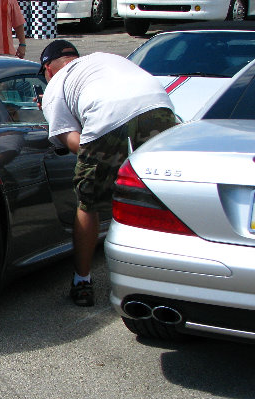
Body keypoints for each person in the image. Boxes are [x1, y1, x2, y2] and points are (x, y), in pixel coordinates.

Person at [39, 40, 177, 307]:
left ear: (48, 70)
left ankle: (82, 281)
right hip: (159, 103)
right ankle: (165, 283)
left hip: (107, 116)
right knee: (162, 199)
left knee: (87, 202)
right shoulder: (103, 58)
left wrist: (109, 160)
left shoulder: (56, 86)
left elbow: (74, 142)